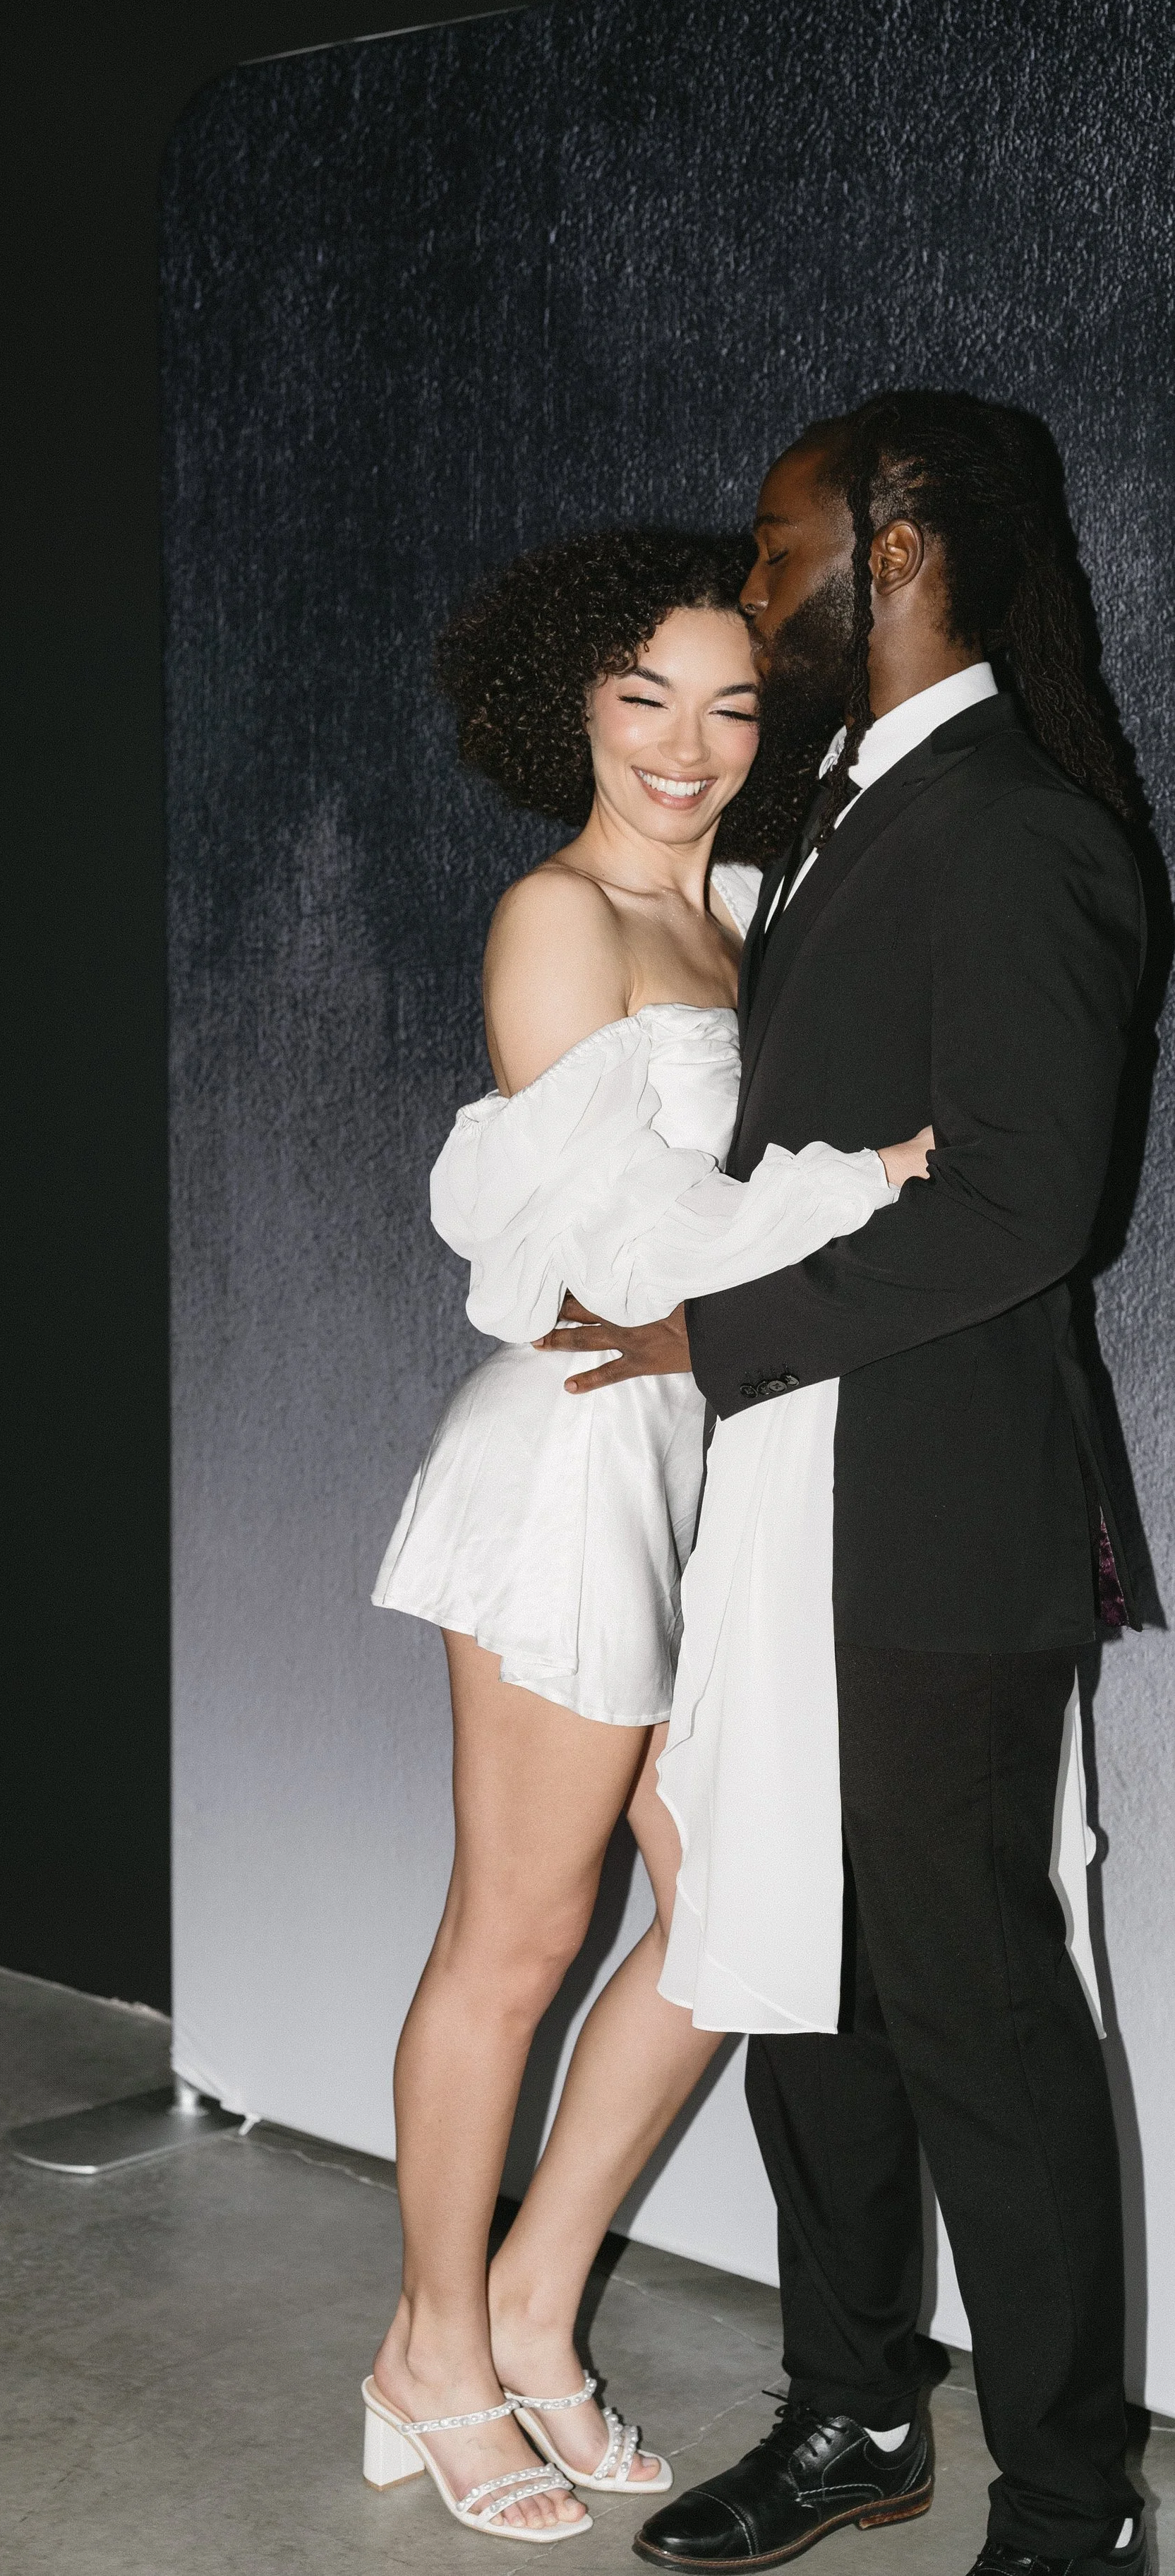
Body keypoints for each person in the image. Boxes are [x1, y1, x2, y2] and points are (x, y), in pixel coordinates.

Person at [547, 395, 1147, 2576]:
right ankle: (853, 2409)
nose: (756, 581)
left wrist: (709, 1332)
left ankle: (1067, 2508)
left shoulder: (1015, 826)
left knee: (972, 2001)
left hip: (940, 1509)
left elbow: (1021, 1207)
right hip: (791, 1493)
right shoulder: (837, 812)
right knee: (794, 1961)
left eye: (779, 547)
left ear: (895, 552)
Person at [363, 529, 933, 2544]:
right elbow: (615, 1247)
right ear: (570, 708)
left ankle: (532, 2301)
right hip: (575, 1462)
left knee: (731, 1913)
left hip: (718, 1473)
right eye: (642, 698)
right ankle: (430, 2347)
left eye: (731, 705)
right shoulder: (558, 916)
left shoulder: (749, 910)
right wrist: (869, 1180)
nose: (686, 746)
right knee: (517, 1935)